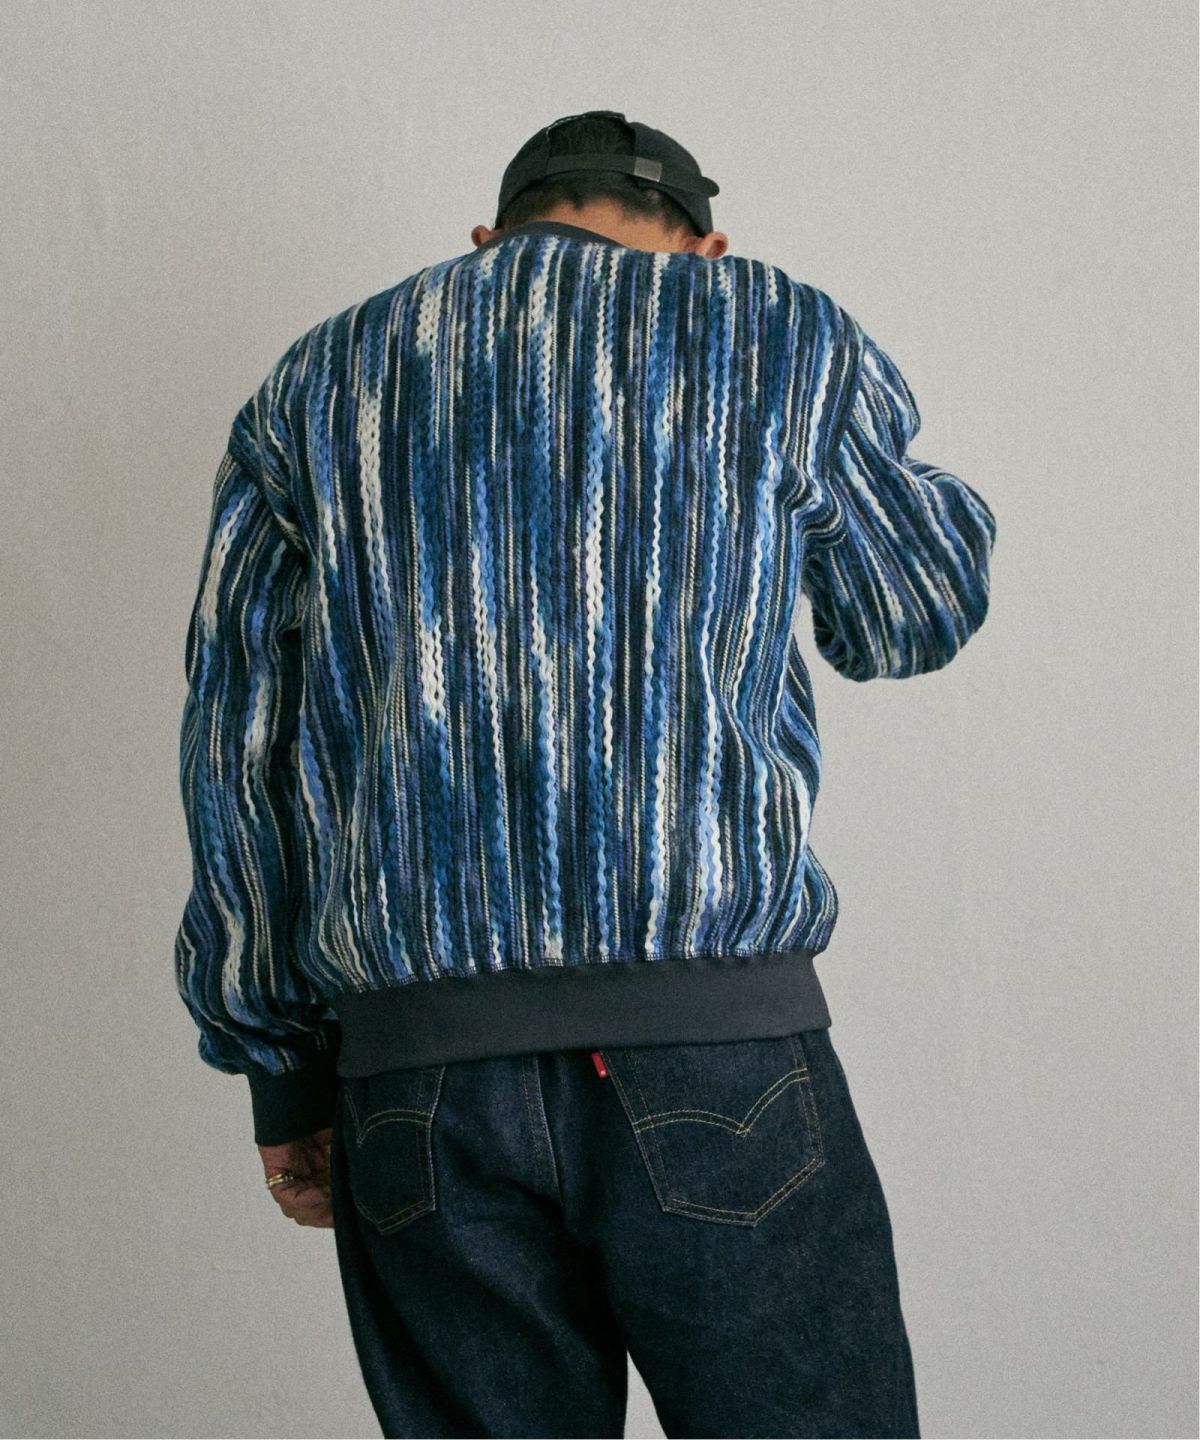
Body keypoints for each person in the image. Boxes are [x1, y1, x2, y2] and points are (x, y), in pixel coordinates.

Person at [174, 109, 996, 1437]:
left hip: (416, 1079)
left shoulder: (323, 378)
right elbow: (912, 612)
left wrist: (281, 1065)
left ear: (489, 238)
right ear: (704, 248)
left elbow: (239, 736)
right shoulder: (770, 331)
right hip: (716, 1054)